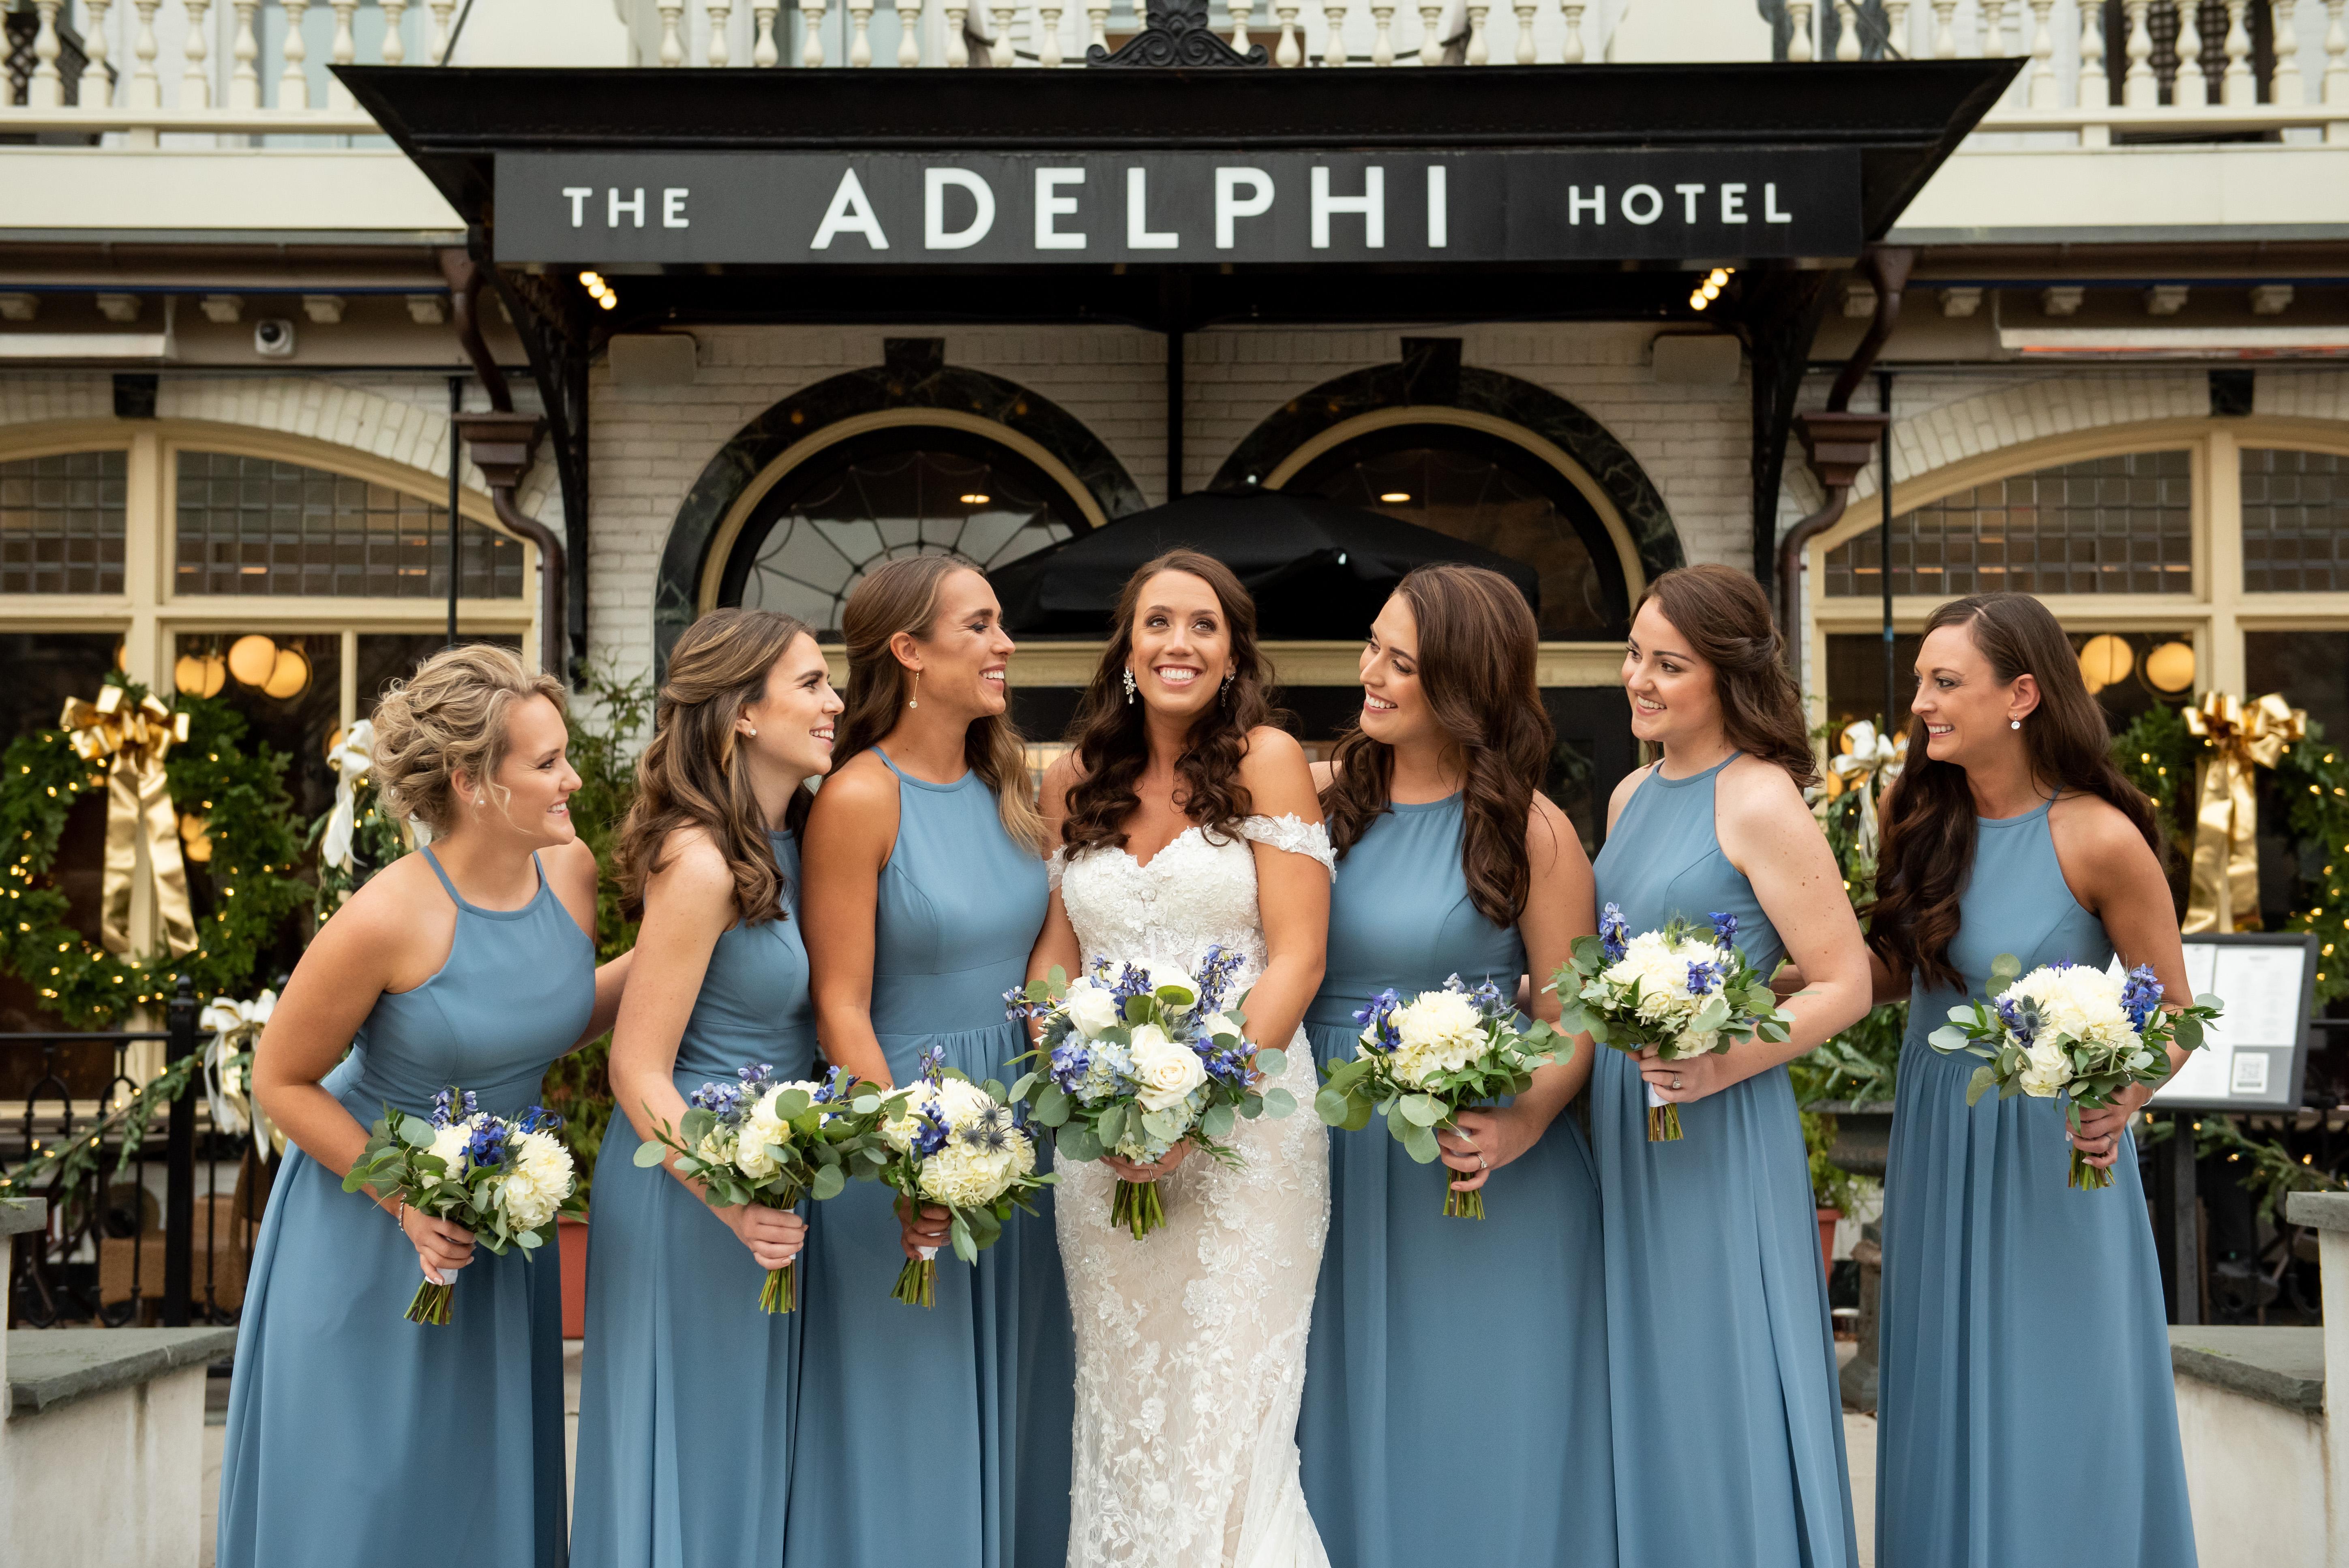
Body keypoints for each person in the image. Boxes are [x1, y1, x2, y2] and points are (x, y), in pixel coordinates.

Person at [218, 643, 630, 1568]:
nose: (572, 779)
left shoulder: (569, 870)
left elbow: (539, 1021)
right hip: (369, 1225)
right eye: (548, 762)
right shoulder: (386, 916)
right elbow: (279, 1080)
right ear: (472, 783)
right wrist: (407, 1202)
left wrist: (685, 941)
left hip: (499, 1228)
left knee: (477, 1491)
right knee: (366, 1497)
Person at [1295, 564, 1616, 1568]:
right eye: (1372, 646)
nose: (1370, 672)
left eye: (1401, 662)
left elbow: (1569, 1016)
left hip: (1474, 1168)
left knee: (1472, 1425)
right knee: (1327, 1416)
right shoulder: (1316, 803)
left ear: (1465, 682)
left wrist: (1520, 1123)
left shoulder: (1530, 830)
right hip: (1324, 1155)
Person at [1866, 593, 2196, 1568]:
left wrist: (2124, 1094)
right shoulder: (1917, 819)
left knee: (2056, 1396)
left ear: (2020, 694)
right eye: (1919, 681)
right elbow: (1894, 970)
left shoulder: (2097, 836)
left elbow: (2175, 1011)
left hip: (2051, 1157)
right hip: (1937, 1140)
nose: (1920, 703)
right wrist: (1771, 974)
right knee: (1939, 1391)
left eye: (1944, 682)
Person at [1029, 548, 1334, 1568]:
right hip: (1100, 1141)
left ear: (1233, 653)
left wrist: (1197, 1109)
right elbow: (1054, 959)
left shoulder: (1267, 758)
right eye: (1157, 621)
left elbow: (1297, 956)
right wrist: (1077, 1085)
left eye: (1204, 625)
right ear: (1127, 648)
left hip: (1249, 1130)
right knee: (1125, 1402)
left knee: (1225, 1411)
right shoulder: (1072, 777)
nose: (1179, 643)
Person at [790, 555, 1073, 1568]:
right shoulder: (858, 797)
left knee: (1025, 1399)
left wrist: (1071, 1077)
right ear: (908, 650)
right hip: (906, 1124)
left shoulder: (1011, 785)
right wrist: (908, 1153)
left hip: (1023, 1129)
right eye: (979, 625)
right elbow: (839, 1003)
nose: (1004, 644)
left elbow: (1045, 954)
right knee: (917, 1418)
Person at [1589, 563, 1872, 1567]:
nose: (1639, 679)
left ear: (1726, 674)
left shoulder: (1758, 797)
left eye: (1668, 664)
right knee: (1642, 1371)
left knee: (1716, 1368)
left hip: (1716, 1119)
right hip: (1622, 1115)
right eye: (1634, 655)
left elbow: (1843, 981)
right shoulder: (1629, 794)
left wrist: (1719, 1060)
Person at [571, 608, 843, 1568]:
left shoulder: (792, 840)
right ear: (741, 712)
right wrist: (732, 1199)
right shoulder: (699, 859)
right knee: (699, 1454)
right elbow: (635, 1067)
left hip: (770, 1178)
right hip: (692, 1186)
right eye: (811, 683)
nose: (834, 702)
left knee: (753, 1459)